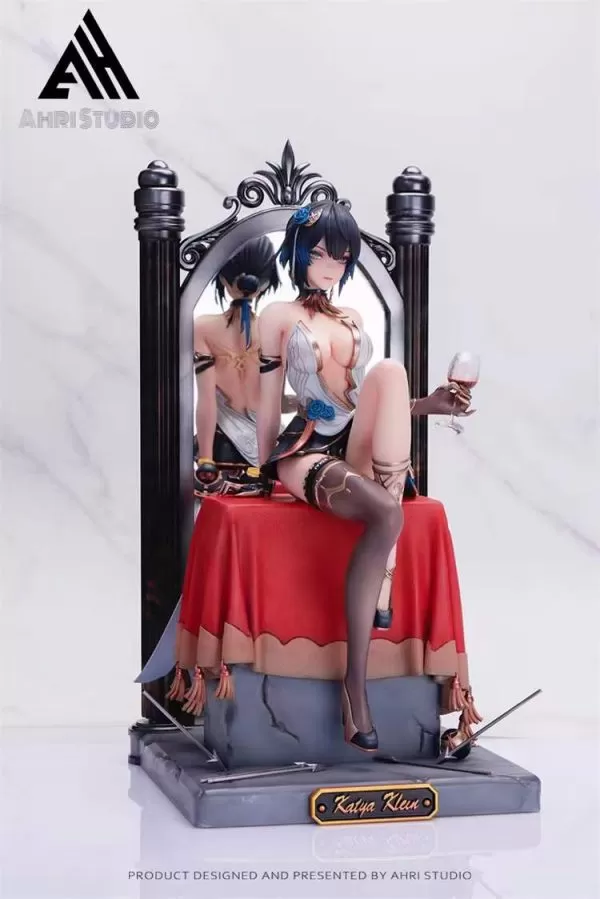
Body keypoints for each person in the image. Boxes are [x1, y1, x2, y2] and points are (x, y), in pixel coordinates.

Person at [257, 201, 472, 752]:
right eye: (320, 254)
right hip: (305, 449)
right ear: (299, 252)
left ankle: (386, 568)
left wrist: (429, 406)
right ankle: (355, 686)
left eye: (341, 256)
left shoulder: (350, 316)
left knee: (392, 371)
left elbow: (366, 405)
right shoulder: (277, 316)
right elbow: (267, 403)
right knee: (385, 512)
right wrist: (261, 472)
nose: (330, 266)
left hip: (355, 442)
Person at [193, 236, 280, 496]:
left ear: (223, 278)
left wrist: (206, 460)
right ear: (266, 284)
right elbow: (274, 401)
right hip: (269, 451)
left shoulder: (203, 327)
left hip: (222, 450)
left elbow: (206, 400)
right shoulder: (275, 328)